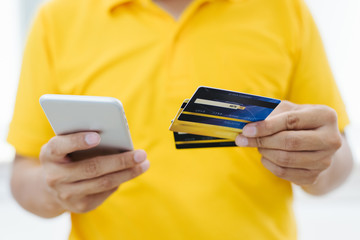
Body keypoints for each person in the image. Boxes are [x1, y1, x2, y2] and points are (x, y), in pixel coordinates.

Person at [7, 0, 353, 239]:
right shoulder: (59, 17)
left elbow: (339, 159)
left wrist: (317, 163)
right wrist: (55, 191)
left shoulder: (283, 9)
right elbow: (23, 175)